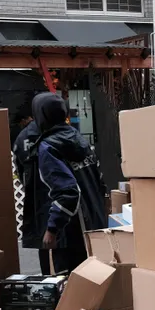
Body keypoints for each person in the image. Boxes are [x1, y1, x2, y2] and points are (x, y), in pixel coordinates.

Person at [18, 92, 107, 275]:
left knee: (66, 287)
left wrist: (52, 229)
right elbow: (99, 180)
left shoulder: (48, 147)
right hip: (92, 224)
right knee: (91, 281)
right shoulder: (77, 137)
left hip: (67, 232)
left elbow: (68, 192)